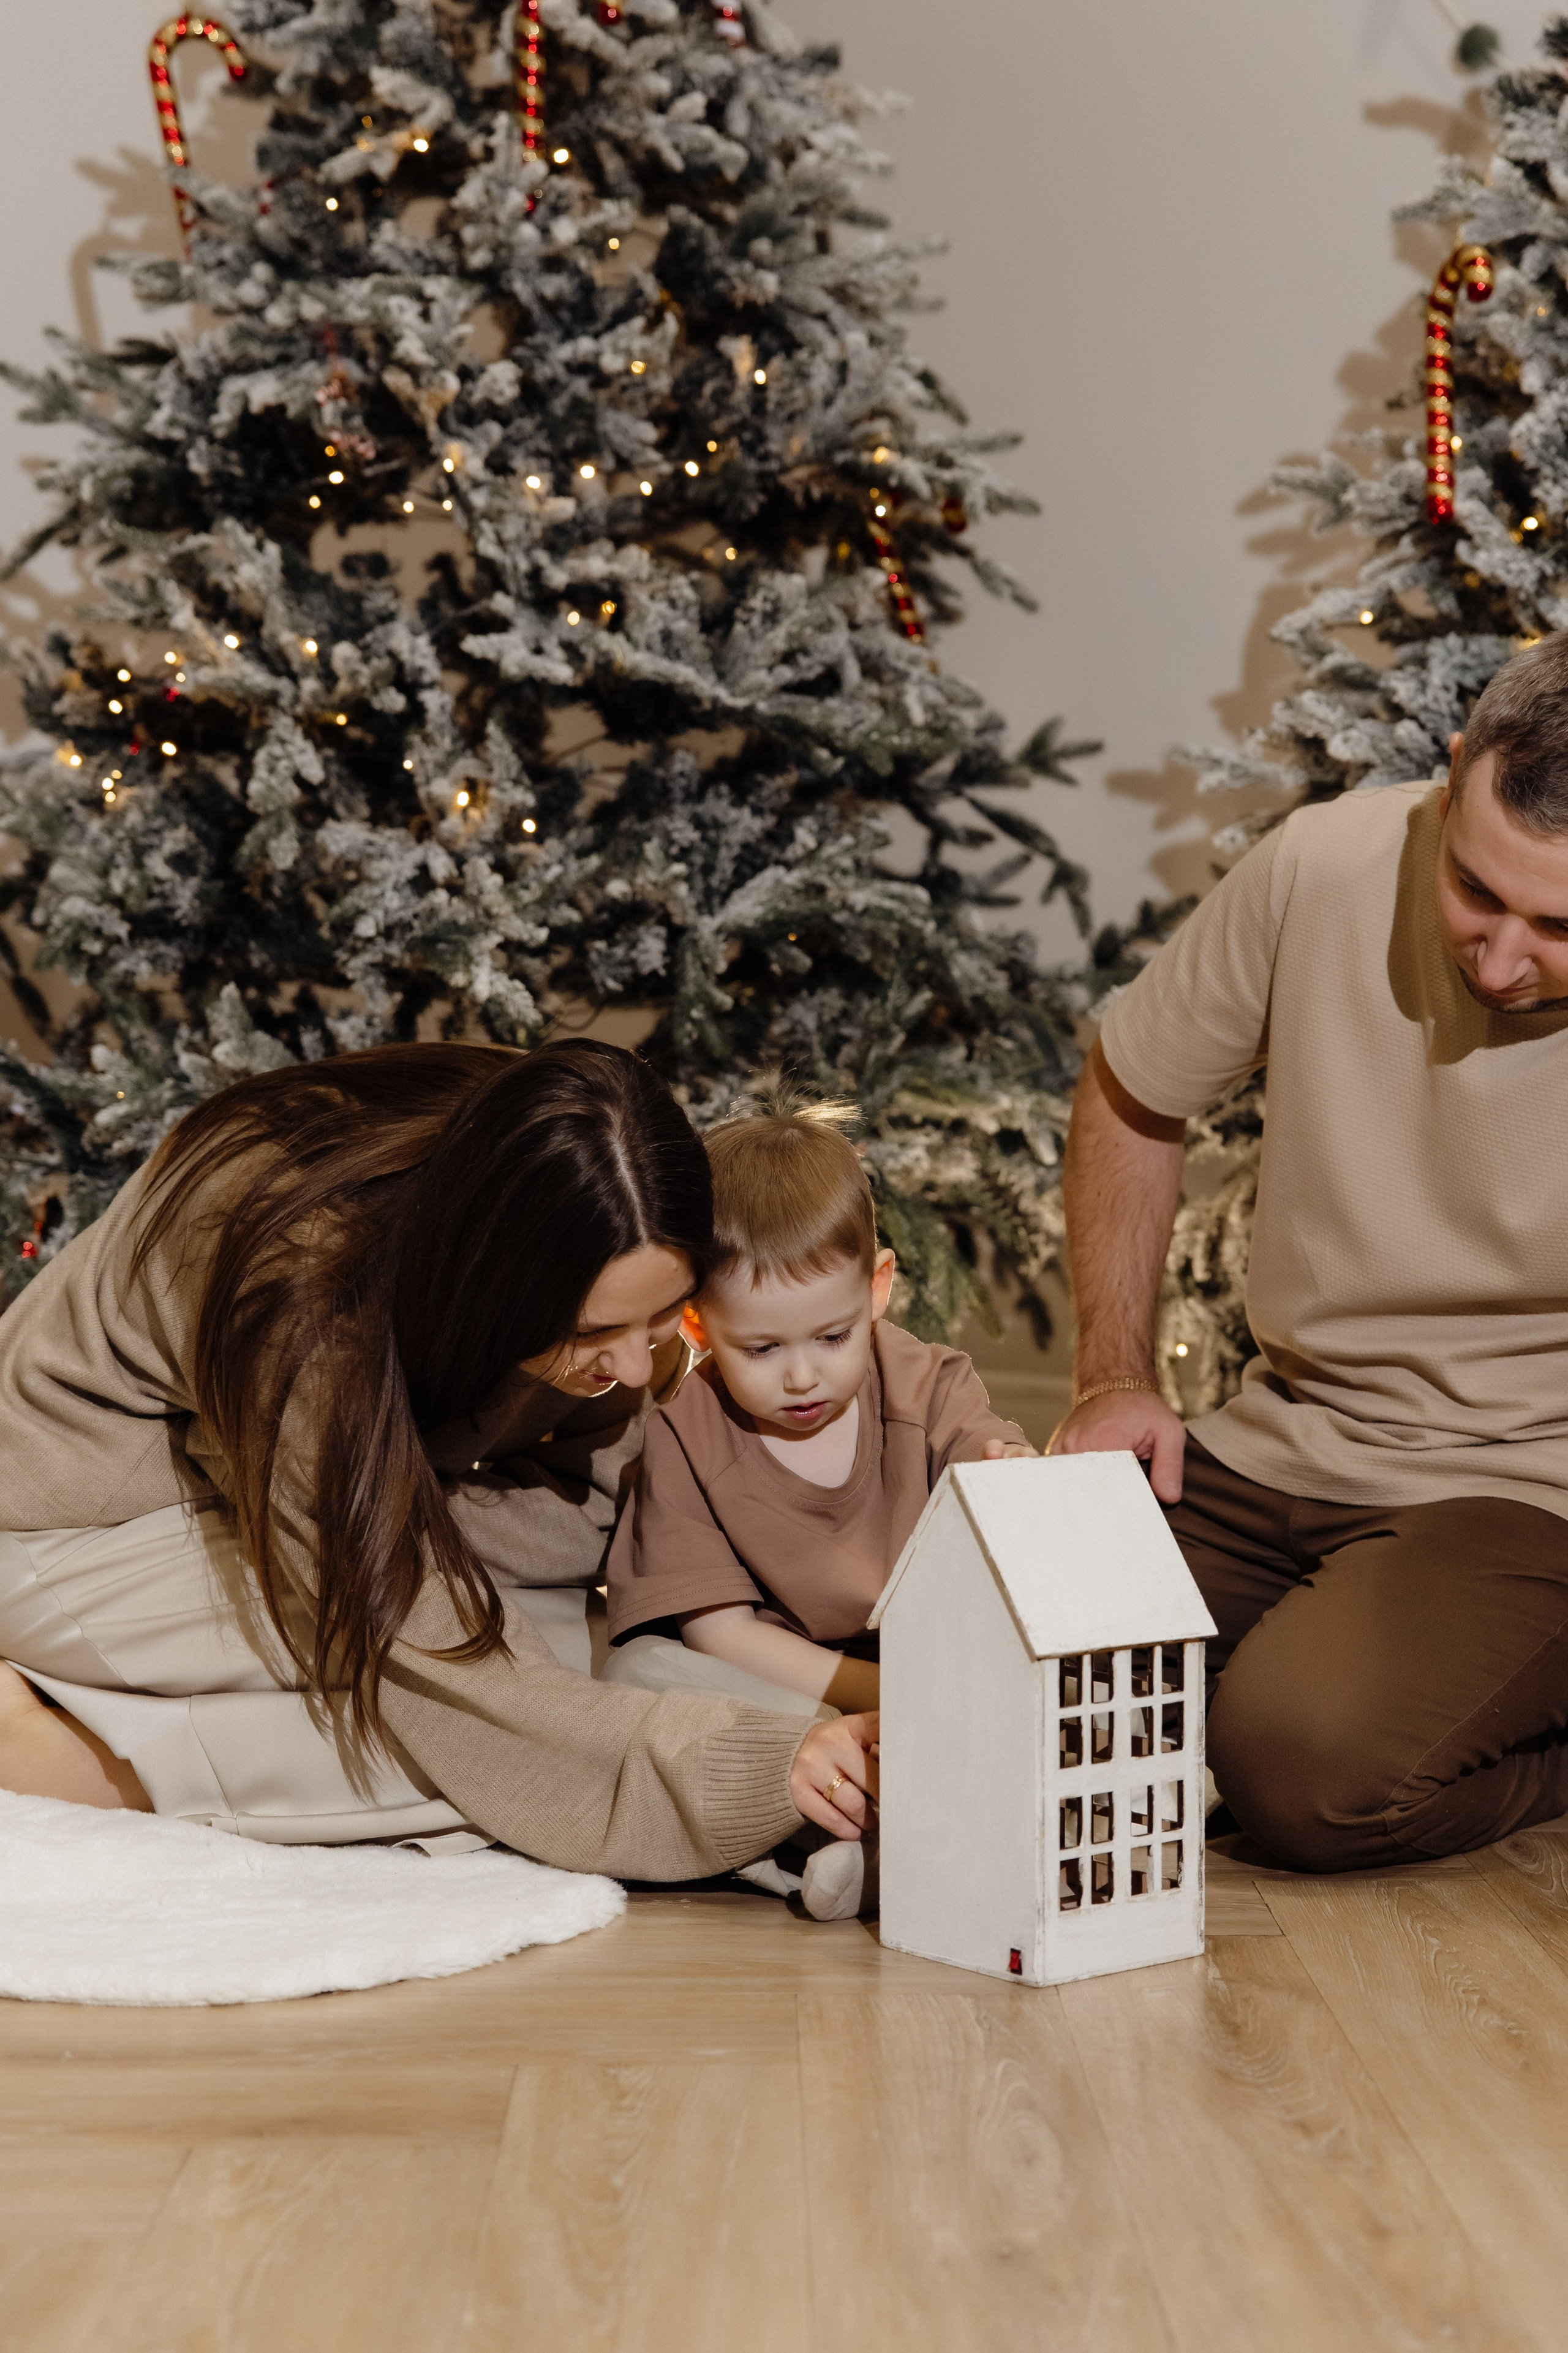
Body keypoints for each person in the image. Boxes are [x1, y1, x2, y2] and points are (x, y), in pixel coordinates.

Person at [0, 1040, 876, 1877]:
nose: (639, 1372)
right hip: (70, 1529)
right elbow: (440, 1664)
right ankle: (68, 1763)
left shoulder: (578, 1151)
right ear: (494, 1286)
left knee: (565, 1656)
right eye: (592, 1334)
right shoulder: (302, 1293)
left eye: (665, 1319)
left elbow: (584, 1512)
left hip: (270, 1482)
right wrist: (762, 1772)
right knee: (465, 1731)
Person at [1050, 629, 1568, 1873]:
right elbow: (1130, 1089)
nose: (1499, 962)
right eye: (1475, 892)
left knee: (1298, 1774)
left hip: (1518, 1485)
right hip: (1279, 1434)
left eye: (1558, 925)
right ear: (1449, 779)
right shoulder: (1322, 864)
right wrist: (1111, 1375)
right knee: (1015, 1681)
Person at [603, 1090, 1031, 1914]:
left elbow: (992, 1463)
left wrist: (1004, 1466)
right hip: (797, 1695)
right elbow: (719, 1634)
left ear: (877, 1289)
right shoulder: (687, 1432)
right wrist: (877, 1696)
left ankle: (870, 1843)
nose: (801, 1376)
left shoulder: (926, 1383)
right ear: (696, 1324)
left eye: (832, 1337)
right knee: (639, 1672)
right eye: (761, 1348)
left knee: (1011, 1688)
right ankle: (829, 1843)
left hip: (931, 1678)